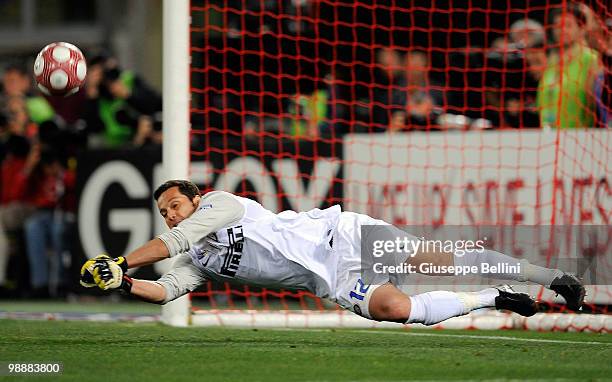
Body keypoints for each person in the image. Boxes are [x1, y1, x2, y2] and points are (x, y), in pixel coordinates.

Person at [80, 180, 585, 325]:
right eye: (164, 212)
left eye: (174, 205)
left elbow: (175, 241)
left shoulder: (221, 203)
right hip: (331, 278)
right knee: (397, 310)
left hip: (340, 235)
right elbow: (166, 289)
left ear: (196, 197)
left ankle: (552, 275)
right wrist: (123, 283)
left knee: (440, 260)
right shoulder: (201, 260)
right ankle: (496, 298)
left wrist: (121, 259)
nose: (171, 216)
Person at [536, 4, 603, 128]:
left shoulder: (592, 59)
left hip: (579, 135)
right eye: (557, 26)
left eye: (568, 25)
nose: (562, 30)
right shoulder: (551, 60)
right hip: (547, 135)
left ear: (582, 29)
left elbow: (595, 103)